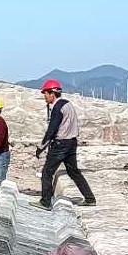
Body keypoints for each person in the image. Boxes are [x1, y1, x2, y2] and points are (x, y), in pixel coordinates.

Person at [33, 79, 96, 210]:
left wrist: (40, 147)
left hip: (60, 145)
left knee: (47, 172)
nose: (44, 96)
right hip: (72, 143)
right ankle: (90, 198)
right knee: (74, 172)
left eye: (45, 93)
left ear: (52, 93)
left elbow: (51, 130)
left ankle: (45, 201)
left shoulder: (57, 108)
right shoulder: (68, 104)